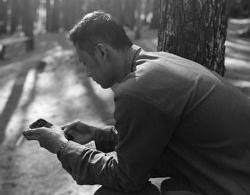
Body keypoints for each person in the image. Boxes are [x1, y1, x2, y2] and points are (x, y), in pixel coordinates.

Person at [23, 11, 250, 195]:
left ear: (102, 52)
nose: (87, 73)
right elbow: (150, 137)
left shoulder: (135, 90)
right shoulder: (159, 62)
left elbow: (126, 178)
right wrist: (97, 135)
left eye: (85, 63)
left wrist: (62, 147)